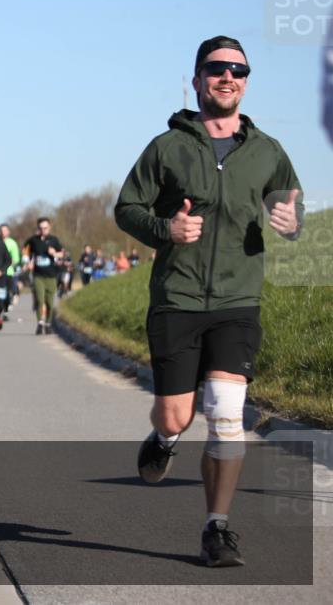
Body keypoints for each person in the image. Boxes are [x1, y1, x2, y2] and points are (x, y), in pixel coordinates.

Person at [115, 35, 303, 568]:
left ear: (246, 81)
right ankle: (164, 437)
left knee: (225, 413)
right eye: (217, 69)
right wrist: (165, 228)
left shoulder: (267, 150)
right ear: (197, 80)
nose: (229, 77)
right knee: (177, 416)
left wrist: (291, 222)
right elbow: (126, 208)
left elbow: (291, 204)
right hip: (177, 298)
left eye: (239, 70)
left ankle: (216, 528)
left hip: (237, 300)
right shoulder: (166, 147)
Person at [24, 217, 63, 335]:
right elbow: (25, 251)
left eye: (45, 228)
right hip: (38, 275)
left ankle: (48, 323)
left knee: (50, 303)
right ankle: (40, 323)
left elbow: (61, 253)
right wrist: (28, 262)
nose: (43, 230)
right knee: (40, 300)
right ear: (38, 228)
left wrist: (55, 253)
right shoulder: (33, 240)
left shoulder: (54, 240)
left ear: (49, 227)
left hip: (51, 275)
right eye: (41, 228)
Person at [0, 223, 21, 318]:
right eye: (2, 230)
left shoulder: (12, 243)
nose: (3, 232)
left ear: (8, 232)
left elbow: (16, 259)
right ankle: (2, 310)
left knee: (7, 292)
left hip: (8, 271)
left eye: (5, 230)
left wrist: (7, 265)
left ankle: (6, 308)